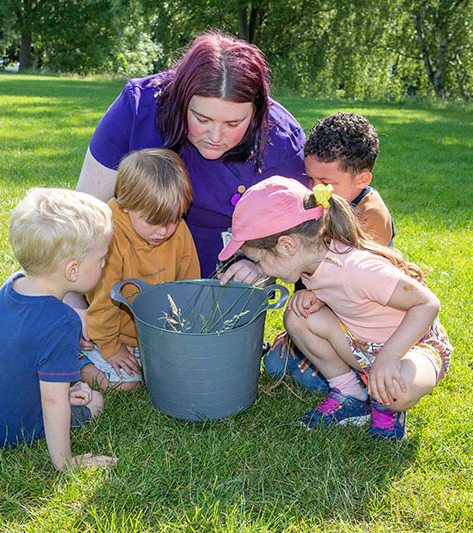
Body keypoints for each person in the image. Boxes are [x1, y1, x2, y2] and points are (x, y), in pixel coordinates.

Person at [218, 176, 452, 441]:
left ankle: (387, 406)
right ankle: (350, 393)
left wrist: (390, 357)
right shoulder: (311, 264)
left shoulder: (358, 269)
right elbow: (345, 296)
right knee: (298, 316)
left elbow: (427, 303)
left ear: (287, 246)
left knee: (398, 390)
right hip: (365, 348)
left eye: (259, 261)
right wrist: (317, 297)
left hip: (412, 347)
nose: (261, 269)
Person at [76, 30, 306, 280]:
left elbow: (305, 238)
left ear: (257, 112)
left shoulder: (283, 142)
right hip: (128, 273)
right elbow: (86, 213)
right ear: (180, 100)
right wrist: (74, 295)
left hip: (228, 286)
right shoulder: (138, 107)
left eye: (233, 123)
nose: (215, 136)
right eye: (202, 119)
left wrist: (262, 267)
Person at [0, 188, 117, 470]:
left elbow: (9, 348)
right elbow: (53, 401)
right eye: (101, 259)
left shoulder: (13, 284)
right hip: (4, 429)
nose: (105, 264)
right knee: (95, 402)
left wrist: (65, 390)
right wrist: (66, 462)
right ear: (72, 270)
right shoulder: (63, 322)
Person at [263, 112, 396, 393]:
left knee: (306, 377)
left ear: (362, 179)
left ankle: (357, 374)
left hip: (362, 325)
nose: (314, 190)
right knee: (275, 364)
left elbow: (359, 288)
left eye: (325, 183)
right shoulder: (316, 205)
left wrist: (318, 299)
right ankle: (313, 347)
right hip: (320, 315)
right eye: (310, 179)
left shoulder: (371, 216)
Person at [79, 148, 201, 391]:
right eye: (153, 222)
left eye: (173, 220)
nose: (163, 231)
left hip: (155, 335)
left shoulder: (179, 231)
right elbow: (104, 302)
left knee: (189, 374)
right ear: (126, 205)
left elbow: (189, 287)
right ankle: (79, 362)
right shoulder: (110, 237)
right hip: (110, 334)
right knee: (129, 385)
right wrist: (111, 348)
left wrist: (182, 338)